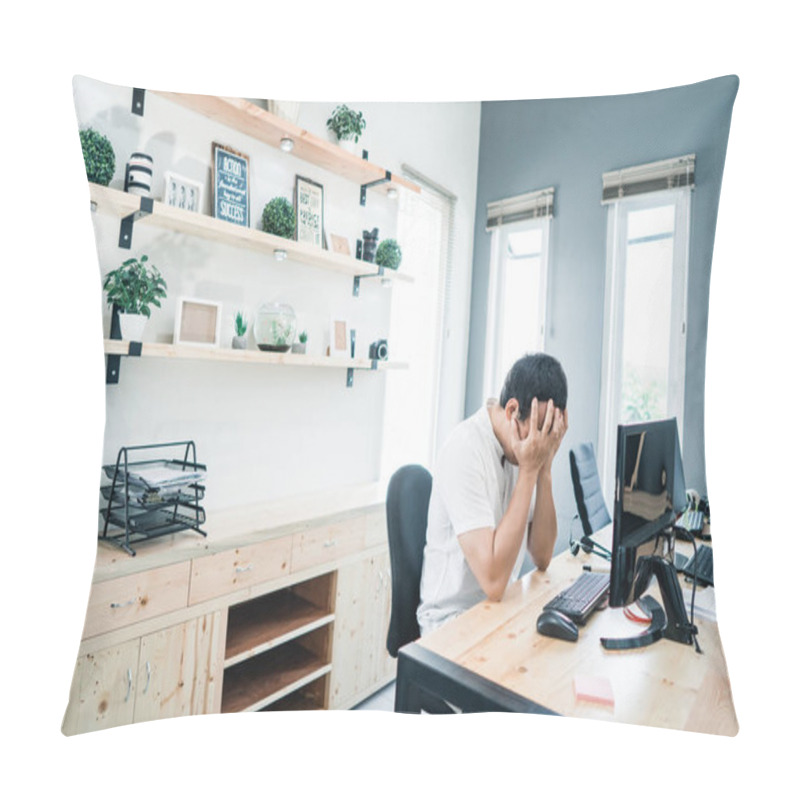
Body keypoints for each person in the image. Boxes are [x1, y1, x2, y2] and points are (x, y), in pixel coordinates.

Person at [417, 352, 568, 635]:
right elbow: (494, 581)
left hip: (498, 612)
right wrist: (528, 471)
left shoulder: (525, 450)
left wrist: (544, 469)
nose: (540, 441)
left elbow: (542, 555)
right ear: (512, 411)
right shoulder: (464, 449)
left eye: (549, 432)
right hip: (450, 626)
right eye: (538, 429)